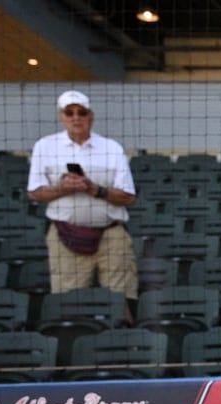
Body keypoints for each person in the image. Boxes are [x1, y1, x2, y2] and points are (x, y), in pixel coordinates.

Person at [26, 90, 138, 306]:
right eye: (70, 112)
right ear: (62, 116)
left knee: (121, 298)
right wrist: (63, 188)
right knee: (68, 301)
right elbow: (35, 192)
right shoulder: (45, 146)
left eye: (81, 112)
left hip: (111, 234)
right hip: (65, 235)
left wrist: (96, 190)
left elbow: (128, 197)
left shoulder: (112, 148)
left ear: (91, 116)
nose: (76, 117)